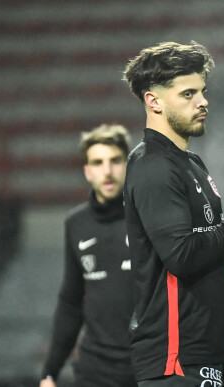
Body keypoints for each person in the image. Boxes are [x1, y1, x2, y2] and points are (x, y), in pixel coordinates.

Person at [121, 41, 224, 386]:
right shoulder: (153, 166)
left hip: (200, 353)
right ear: (154, 101)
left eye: (202, 92)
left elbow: (208, 254)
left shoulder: (190, 164)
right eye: (188, 94)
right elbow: (183, 257)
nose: (203, 101)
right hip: (175, 358)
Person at [40, 124, 137, 387]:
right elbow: (71, 302)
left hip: (149, 369)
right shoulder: (76, 223)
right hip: (95, 373)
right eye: (97, 162)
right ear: (87, 171)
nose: (107, 171)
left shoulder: (147, 218)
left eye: (115, 160)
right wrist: (49, 373)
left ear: (127, 165)